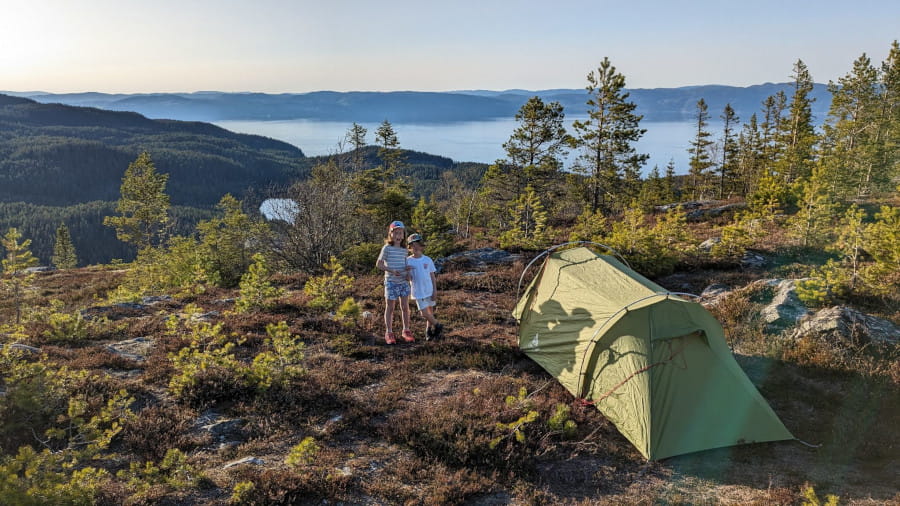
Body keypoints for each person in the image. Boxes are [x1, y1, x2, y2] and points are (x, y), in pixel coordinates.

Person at [375, 221, 413, 344]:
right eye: (396, 232)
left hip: (403, 282)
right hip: (391, 282)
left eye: (400, 233)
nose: (398, 235)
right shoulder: (387, 248)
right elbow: (379, 264)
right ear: (391, 234)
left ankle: (406, 330)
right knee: (390, 307)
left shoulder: (404, 250)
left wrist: (407, 273)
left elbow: (405, 264)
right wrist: (391, 270)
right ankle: (389, 332)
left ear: (403, 235)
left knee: (405, 307)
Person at [406, 233, 443, 340]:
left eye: (417, 244)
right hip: (418, 291)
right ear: (409, 247)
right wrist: (407, 272)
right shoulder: (408, 261)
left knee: (430, 311)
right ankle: (438, 325)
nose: (416, 247)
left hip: (429, 289)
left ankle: (428, 332)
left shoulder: (428, 260)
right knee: (424, 313)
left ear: (421, 246)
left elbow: (432, 276)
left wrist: (435, 291)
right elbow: (408, 279)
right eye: (413, 245)